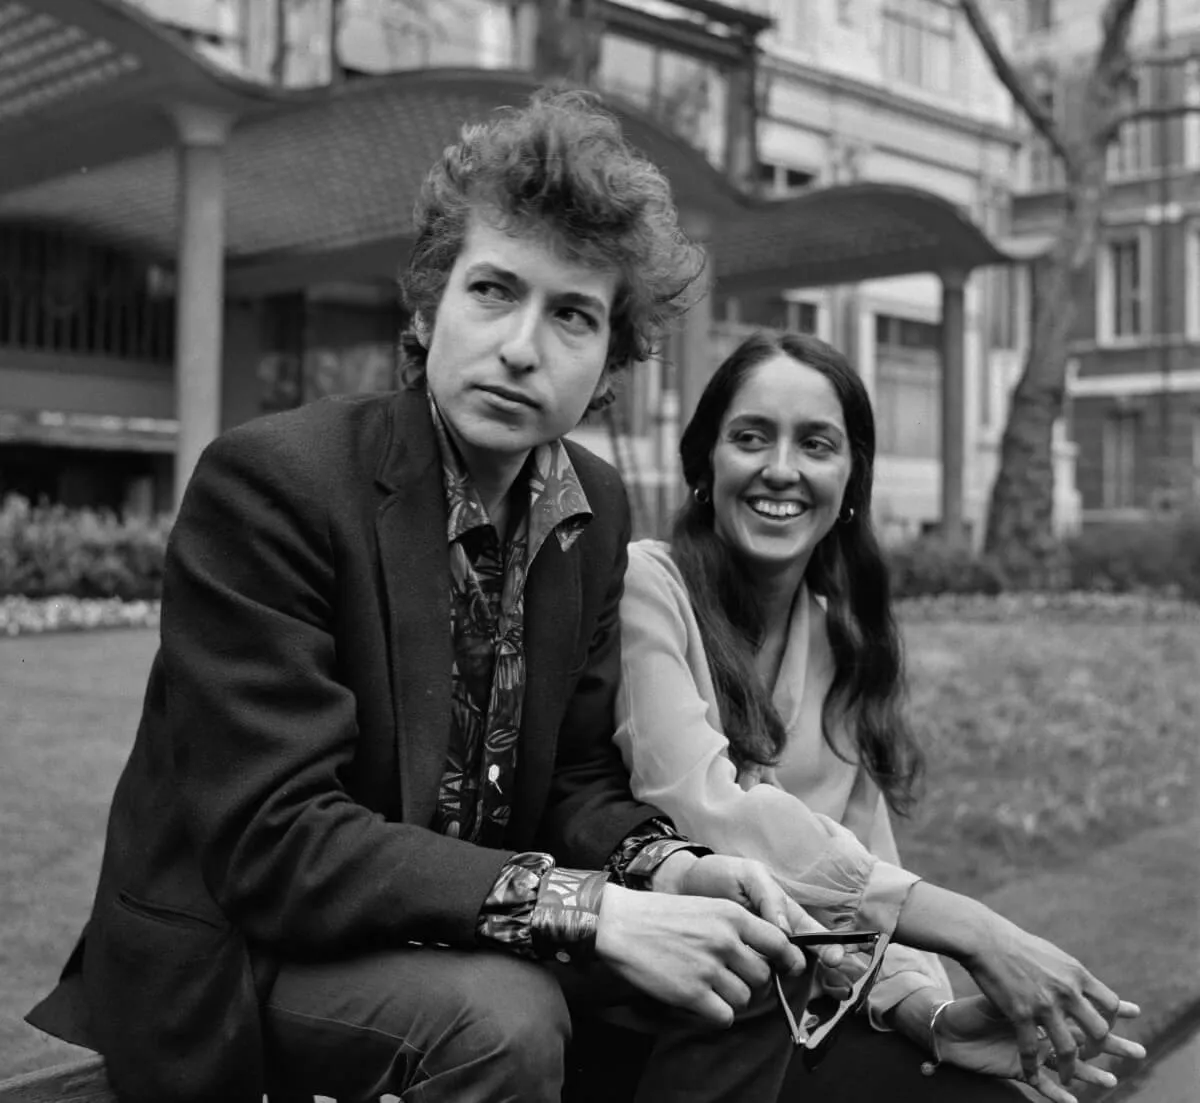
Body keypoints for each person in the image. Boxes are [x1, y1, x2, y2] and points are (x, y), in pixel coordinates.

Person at [24, 94, 844, 1103]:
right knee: (502, 1018)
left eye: (573, 314)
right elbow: (277, 841)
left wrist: (671, 872)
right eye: (494, 290)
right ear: (428, 306)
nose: (520, 345)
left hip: (470, 923)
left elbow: (576, 778)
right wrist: (590, 910)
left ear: (607, 368)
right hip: (253, 946)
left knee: (744, 966)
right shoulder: (273, 484)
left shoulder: (595, 503)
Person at [613, 330, 1147, 1103]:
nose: (781, 468)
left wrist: (931, 1014)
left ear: (851, 478)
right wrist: (975, 929)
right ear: (707, 464)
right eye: (751, 437)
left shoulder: (840, 637)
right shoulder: (647, 584)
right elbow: (703, 807)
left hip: (808, 1013)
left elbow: (865, 865)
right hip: (680, 1021)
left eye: (816, 443)